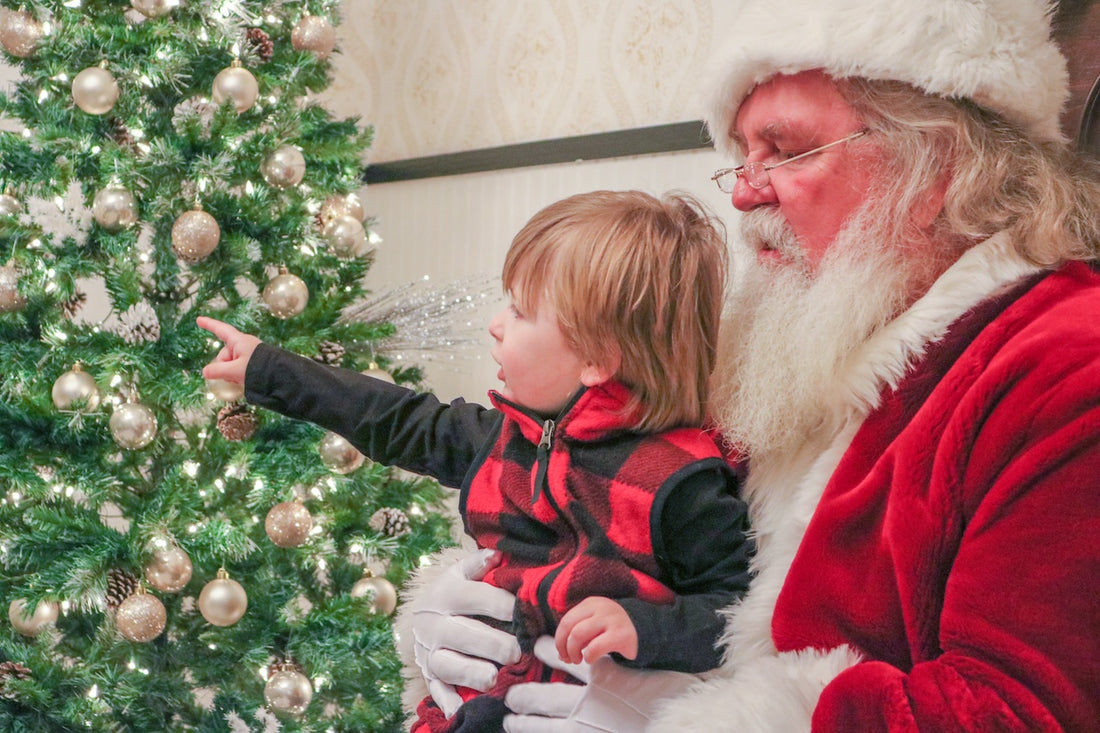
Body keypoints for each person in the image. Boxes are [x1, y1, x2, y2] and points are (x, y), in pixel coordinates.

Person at [403, 0, 1100, 731]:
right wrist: (484, 615)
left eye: (787, 150)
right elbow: (613, 525)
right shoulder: (781, 340)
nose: (741, 191)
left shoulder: (1064, 366)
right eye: (742, 153)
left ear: (940, 166)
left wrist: (681, 713)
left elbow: (1012, 713)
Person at [196, 190, 754, 732]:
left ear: (597, 359)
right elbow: (393, 417)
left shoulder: (682, 482)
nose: (496, 322)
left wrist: (641, 627)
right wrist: (268, 369)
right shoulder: (504, 437)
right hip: (480, 702)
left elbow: (733, 613)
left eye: (520, 309)